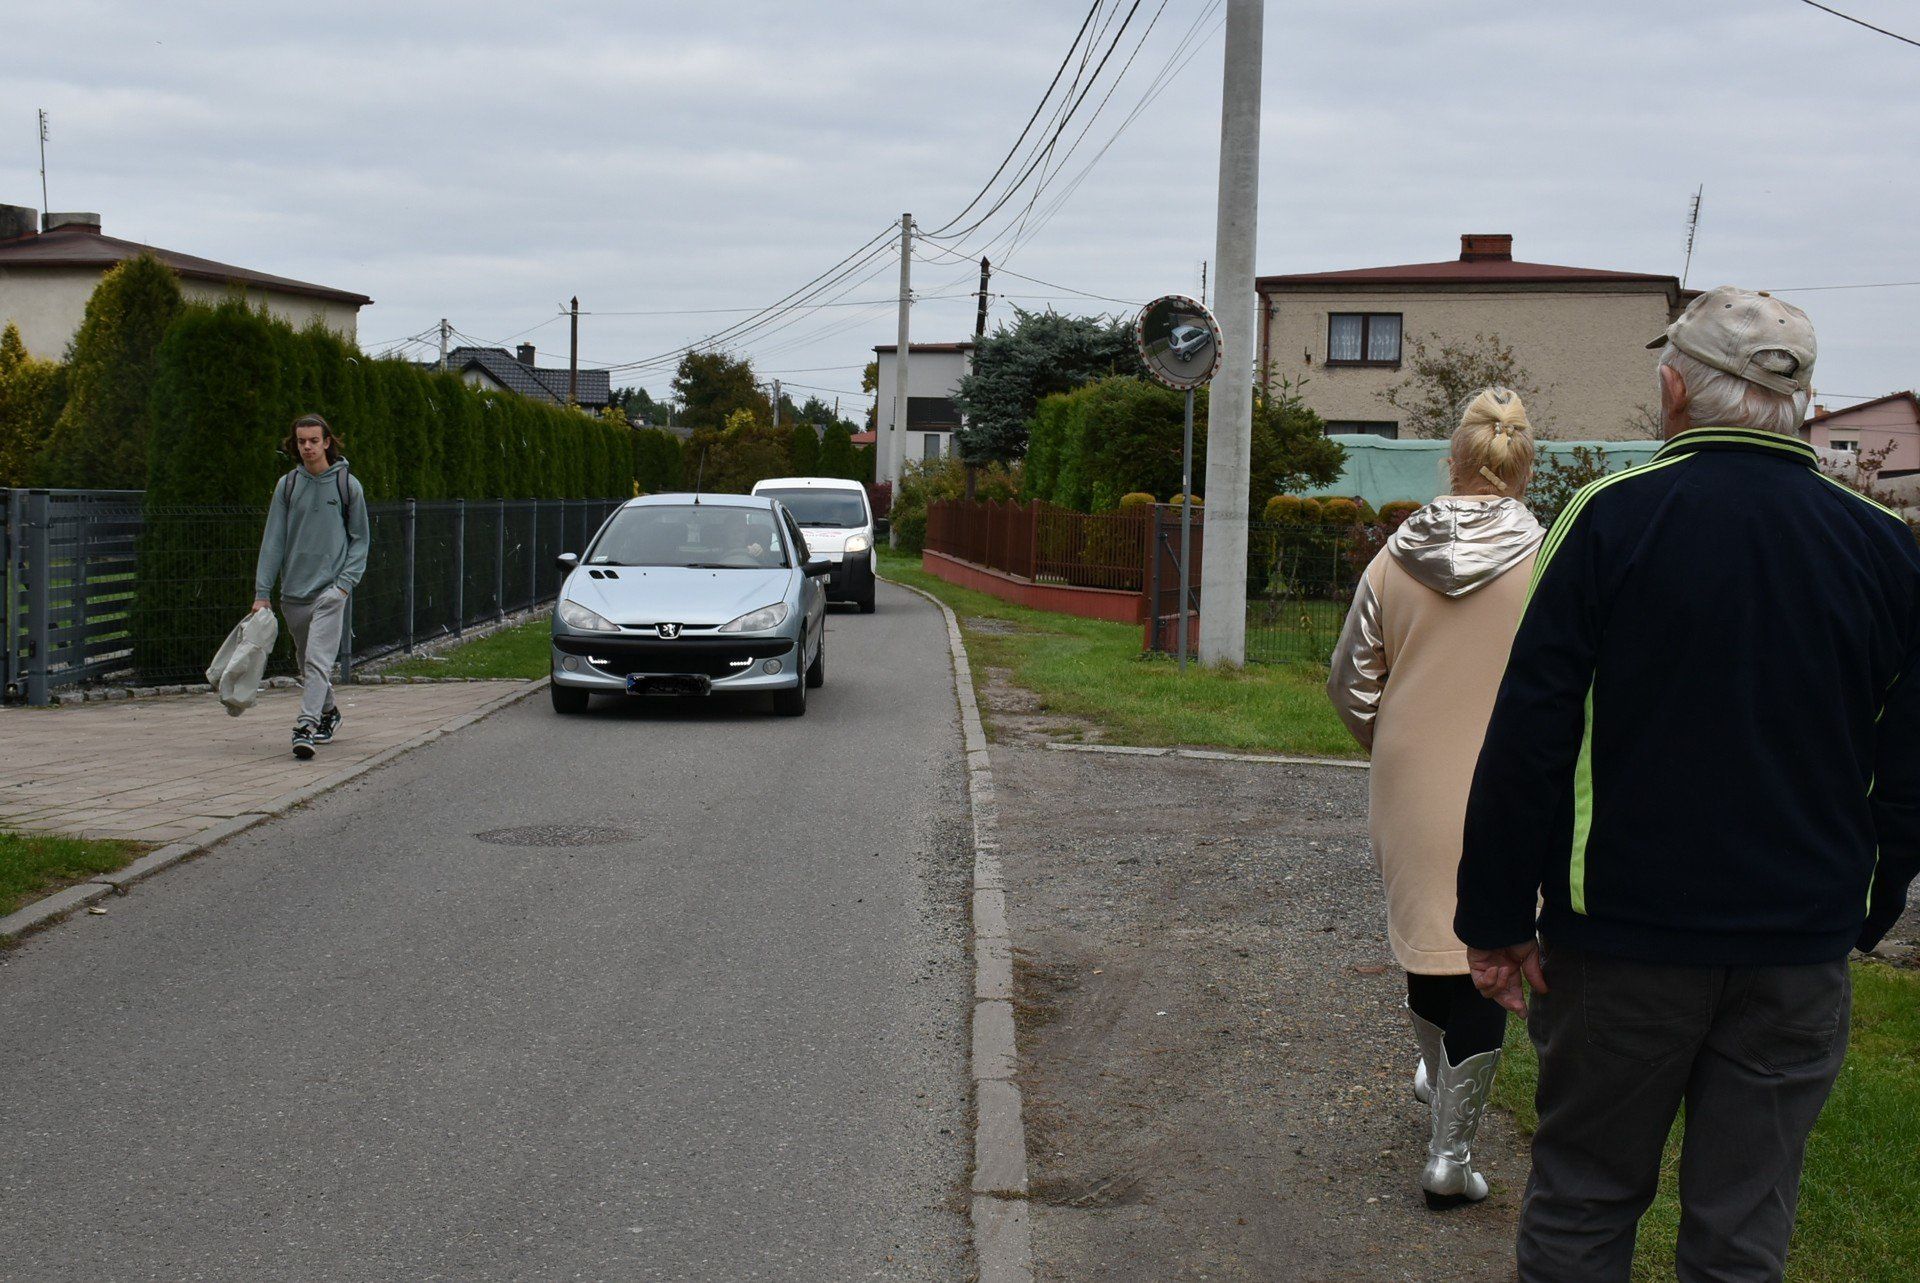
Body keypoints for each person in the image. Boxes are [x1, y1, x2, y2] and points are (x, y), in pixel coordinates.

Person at [1456, 287, 1920, 1282]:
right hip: (1798, 946)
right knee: (1743, 1231)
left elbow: (1534, 730)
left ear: (1674, 389)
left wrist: (1495, 916)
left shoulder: (1609, 517)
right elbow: (1909, 759)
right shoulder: (1884, 547)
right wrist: (1863, 911)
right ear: (1800, 402)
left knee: (1585, 1195)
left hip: (1622, 940)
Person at [1326, 387, 1543, 1208]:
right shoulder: (1550, 554)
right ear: (1523, 469)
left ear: (1450, 460)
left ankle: (1436, 1076)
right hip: (1512, 778)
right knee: (1487, 953)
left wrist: (1388, 745)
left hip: (1409, 774)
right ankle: (1450, 1155)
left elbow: (1349, 683)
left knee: (1428, 941)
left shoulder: (1392, 556)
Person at [252, 414, 370, 761]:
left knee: (318, 660)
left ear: (327, 442)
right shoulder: (287, 486)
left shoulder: (347, 486)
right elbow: (272, 541)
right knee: (307, 663)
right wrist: (262, 593)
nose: (307, 447)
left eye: (313, 441)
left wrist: (344, 586)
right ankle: (329, 713)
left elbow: (361, 540)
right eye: (301, 441)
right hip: (293, 593)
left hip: (330, 592)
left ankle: (305, 726)